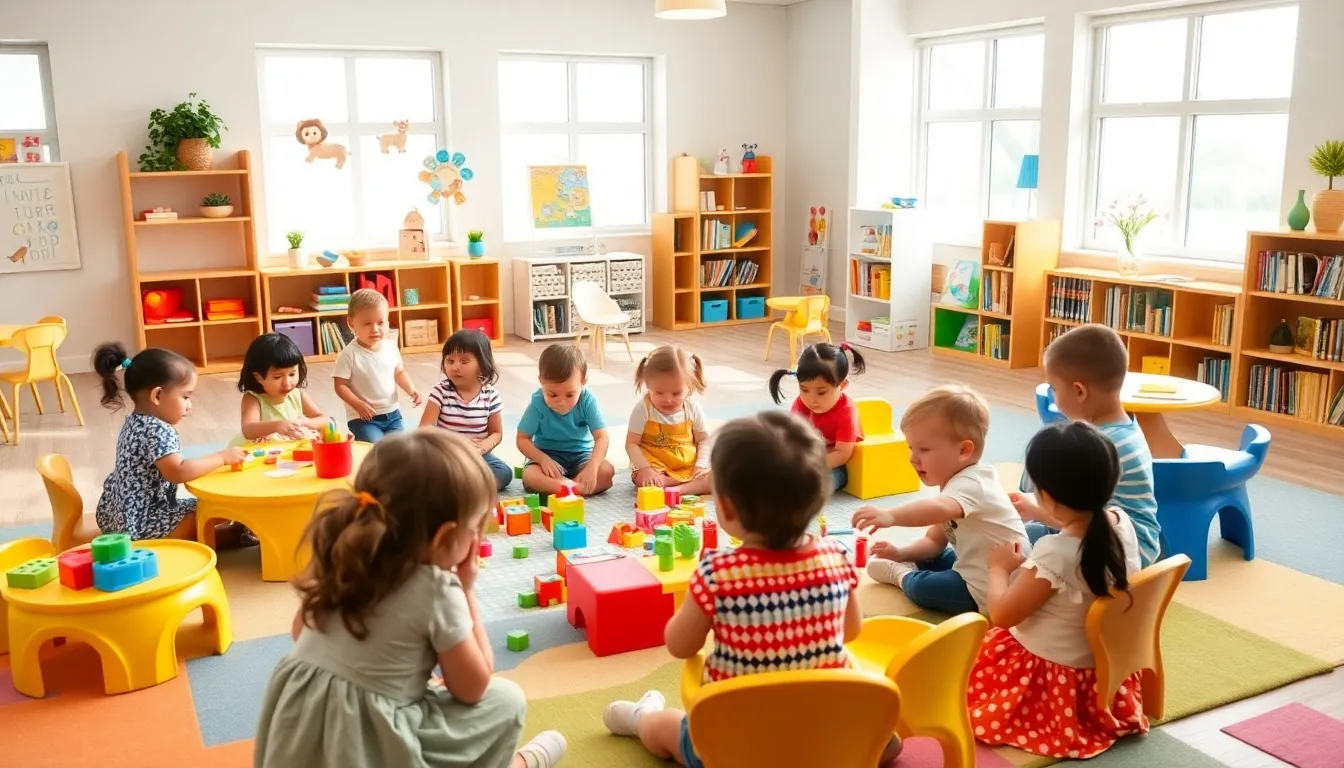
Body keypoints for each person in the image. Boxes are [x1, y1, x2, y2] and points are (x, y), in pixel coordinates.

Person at [603, 410, 901, 767]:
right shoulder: (835, 557)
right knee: (887, 742)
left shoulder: (717, 574)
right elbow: (851, 631)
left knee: (670, 729)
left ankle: (642, 718)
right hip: (821, 732)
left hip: (736, 744)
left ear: (725, 506)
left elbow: (681, 645)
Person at [253, 430, 567, 768]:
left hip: (298, 737)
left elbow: (301, 632)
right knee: (506, 700)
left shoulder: (342, 556)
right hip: (369, 746)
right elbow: (473, 687)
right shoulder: (436, 588)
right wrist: (466, 589)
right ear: (445, 535)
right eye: (476, 527)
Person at [968, 421, 1145, 758]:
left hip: (1053, 677)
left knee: (973, 649)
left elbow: (1003, 615)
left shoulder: (1056, 554)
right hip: (1104, 669)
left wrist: (998, 569)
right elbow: (1085, 531)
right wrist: (1042, 513)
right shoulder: (1122, 523)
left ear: (1048, 495)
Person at [853, 385, 1028, 615]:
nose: (913, 458)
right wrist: (902, 552)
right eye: (911, 448)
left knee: (923, 589)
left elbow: (939, 508)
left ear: (964, 450)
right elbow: (935, 541)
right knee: (930, 557)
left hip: (996, 586)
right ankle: (907, 564)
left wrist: (891, 516)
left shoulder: (972, 484)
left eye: (924, 449)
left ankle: (901, 576)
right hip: (973, 565)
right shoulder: (955, 486)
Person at [1015, 324, 1160, 566]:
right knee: (1016, 538)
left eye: (1054, 388)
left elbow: (1080, 517)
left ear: (1079, 390)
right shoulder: (1124, 427)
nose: (1053, 395)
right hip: (1130, 537)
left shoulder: (1100, 446)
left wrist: (1035, 510)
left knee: (1014, 545)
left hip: (1121, 548)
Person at [92, 343, 246, 540]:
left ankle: (220, 536)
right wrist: (221, 457)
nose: (189, 405)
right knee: (215, 510)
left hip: (121, 517)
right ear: (157, 395)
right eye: (185, 396)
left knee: (206, 507)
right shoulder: (157, 429)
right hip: (143, 526)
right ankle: (221, 540)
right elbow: (178, 471)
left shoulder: (135, 422)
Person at [516, 344, 615, 496]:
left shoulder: (588, 401)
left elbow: (602, 437)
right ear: (541, 381)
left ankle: (566, 488)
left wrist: (592, 468)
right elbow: (523, 438)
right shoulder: (537, 403)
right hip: (547, 455)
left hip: (581, 455)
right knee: (530, 476)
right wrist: (542, 459)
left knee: (606, 471)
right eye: (553, 395)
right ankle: (575, 488)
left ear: (583, 382)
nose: (561, 402)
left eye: (570, 395)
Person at [767, 342, 866, 492]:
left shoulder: (847, 411)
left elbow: (842, 454)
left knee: (819, 484)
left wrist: (810, 465)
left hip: (833, 465)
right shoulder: (801, 404)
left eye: (821, 392)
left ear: (843, 385)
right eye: (804, 390)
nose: (811, 399)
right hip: (806, 458)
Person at [420, 329, 511, 491]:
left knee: (504, 472)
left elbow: (496, 433)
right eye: (450, 361)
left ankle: (467, 487)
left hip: (477, 455)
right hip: (446, 454)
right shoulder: (440, 392)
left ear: (483, 365)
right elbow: (425, 430)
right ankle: (463, 485)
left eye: (464, 361)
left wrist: (483, 447)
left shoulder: (491, 395)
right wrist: (455, 444)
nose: (455, 367)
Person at [333, 289, 421, 443]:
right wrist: (358, 405)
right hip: (363, 418)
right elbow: (340, 385)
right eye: (367, 323)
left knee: (400, 448)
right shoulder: (349, 354)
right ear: (351, 323)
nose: (375, 329)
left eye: (380, 323)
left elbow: (399, 372)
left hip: (393, 415)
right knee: (376, 447)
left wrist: (411, 390)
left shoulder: (391, 347)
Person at [626, 344, 712, 495]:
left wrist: (700, 466)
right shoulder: (644, 409)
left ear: (689, 386)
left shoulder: (692, 409)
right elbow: (632, 443)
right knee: (644, 480)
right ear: (647, 384)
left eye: (676, 393)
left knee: (717, 478)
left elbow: (703, 439)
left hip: (688, 466)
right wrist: (645, 469)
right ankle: (672, 486)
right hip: (655, 467)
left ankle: (676, 490)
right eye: (659, 392)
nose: (668, 400)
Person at [231, 332, 327, 446]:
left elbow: (325, 419)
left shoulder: (297, 395)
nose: (287, 383)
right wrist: (277, 426)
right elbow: (248, 429)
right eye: (277, 377)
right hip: (257, 453)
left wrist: (304, 422)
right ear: (258, 377)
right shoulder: (253, 398)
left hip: (285, 452)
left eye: (292, 374)